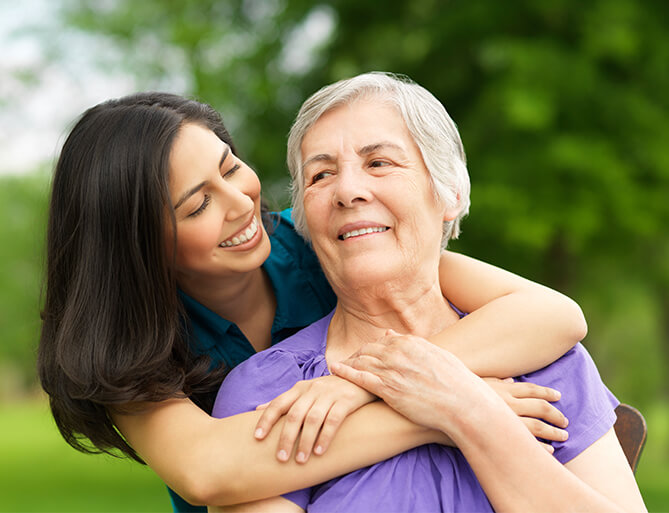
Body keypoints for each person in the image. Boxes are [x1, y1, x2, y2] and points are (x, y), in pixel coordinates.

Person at [38, 91, 586, 512]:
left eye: (230, 168)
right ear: (139, 245)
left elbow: (551, 315)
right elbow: (208, 469)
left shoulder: (333, 243)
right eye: (198, 204)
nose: (241, 204)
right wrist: (451, 410)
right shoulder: (129, 346)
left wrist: (350, 383)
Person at [210, 72, 646, 512]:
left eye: (379, 162)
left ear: (451, 193)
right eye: (320, 175)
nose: (347, 191)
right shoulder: (271, 394)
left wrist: (466, 409)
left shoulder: (544, 359)